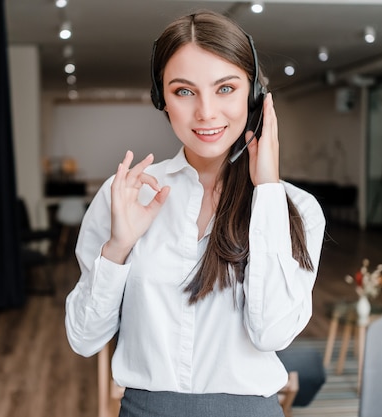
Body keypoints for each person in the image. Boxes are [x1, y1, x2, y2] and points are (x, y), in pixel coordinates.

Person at [65, 9, 326, 417]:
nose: (206, 112)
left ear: (254, 95)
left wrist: (268, 192)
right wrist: (118, 248)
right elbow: (83, 339)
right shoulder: (127, 196)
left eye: (226, 88)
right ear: (161, 99)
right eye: (184, 91)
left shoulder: (295, 208)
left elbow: (271, 332)